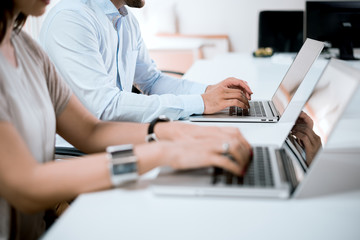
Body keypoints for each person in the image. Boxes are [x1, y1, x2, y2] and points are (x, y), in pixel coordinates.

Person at [0, 1, 252, 239]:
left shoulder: (25, 47)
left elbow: (92, 131)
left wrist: (172, 133)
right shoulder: (68, 18)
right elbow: (27, 186)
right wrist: (162, 151)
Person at [39, 0, 253, 123]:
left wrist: (210, 91)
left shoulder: (126, 20)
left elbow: (152, 82)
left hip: (117, 134)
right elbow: (105, 107)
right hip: (79, 152)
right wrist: (201, 102)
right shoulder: (72, 18)